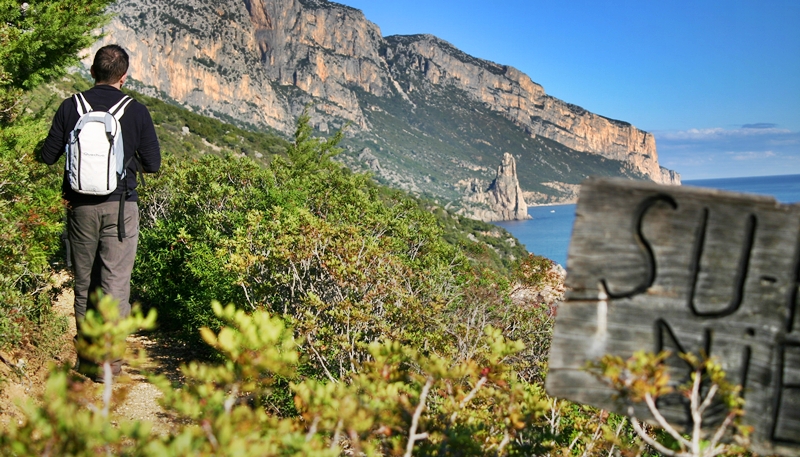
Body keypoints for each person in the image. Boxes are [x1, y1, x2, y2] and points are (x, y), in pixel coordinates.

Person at [41, 44, 161, 379]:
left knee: (85, 285)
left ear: (92, 72)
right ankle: (110, 366)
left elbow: (48, 155)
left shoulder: (71, 107)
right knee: (115, 286)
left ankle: (86, 361)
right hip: (121, 208)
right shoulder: (137, 111)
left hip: (80, 208)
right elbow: (153, 164)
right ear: (124, 76)